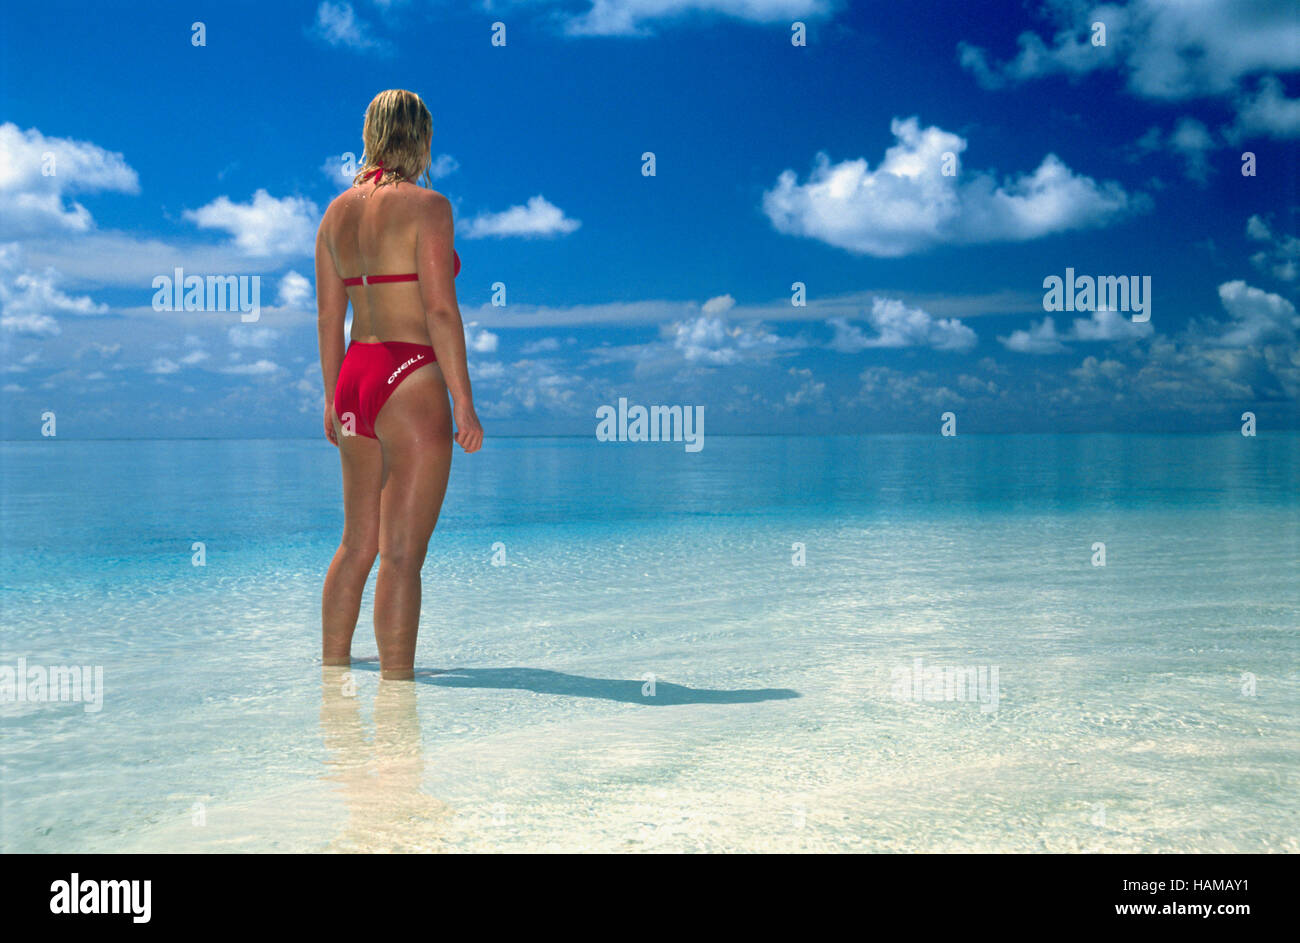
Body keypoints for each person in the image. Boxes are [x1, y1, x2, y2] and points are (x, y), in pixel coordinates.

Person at [315, 89, 483, 680]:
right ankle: (397, 692)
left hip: (356, 376)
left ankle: (333, 675)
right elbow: (440, 311)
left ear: (371, 133)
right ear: (422, 138)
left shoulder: (334, 214)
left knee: (356, 543)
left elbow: (328, 318)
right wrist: (464, 402)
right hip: (411, 375)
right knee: (403, 555)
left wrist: (333, 398)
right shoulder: (429, 207)